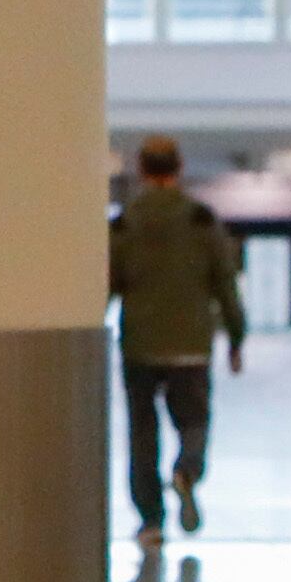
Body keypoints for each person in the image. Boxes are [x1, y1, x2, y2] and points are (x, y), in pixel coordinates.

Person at [108, 136, 245, 538]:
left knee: (142, 430)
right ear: (179, 168)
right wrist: (236, 336)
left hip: (139, 345)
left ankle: (151, 519)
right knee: (194, 419)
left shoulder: (126, 221)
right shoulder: (201, 220)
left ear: (141, 169)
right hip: (190, 345)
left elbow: (108, 283)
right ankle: (187, 470)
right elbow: (225, 282)